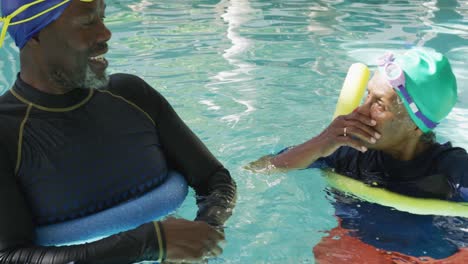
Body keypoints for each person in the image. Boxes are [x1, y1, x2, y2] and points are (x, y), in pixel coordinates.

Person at [0, 0, 236, 263]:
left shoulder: (132, 95)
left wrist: (206, 230)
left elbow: (215, 179)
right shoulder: (6, 133)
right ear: (34, 34)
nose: (105, 33)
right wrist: (149, 243)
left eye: (102, 17)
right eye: (88, 22)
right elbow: (11, 256)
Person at [249, 48, 468, 263]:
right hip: (354, 245)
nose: (360, 111)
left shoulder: (455, 172)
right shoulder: (348, 150)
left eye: (379, 104)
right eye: (367, 95)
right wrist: (321, 142)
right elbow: (259, 170)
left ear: (416, 125)